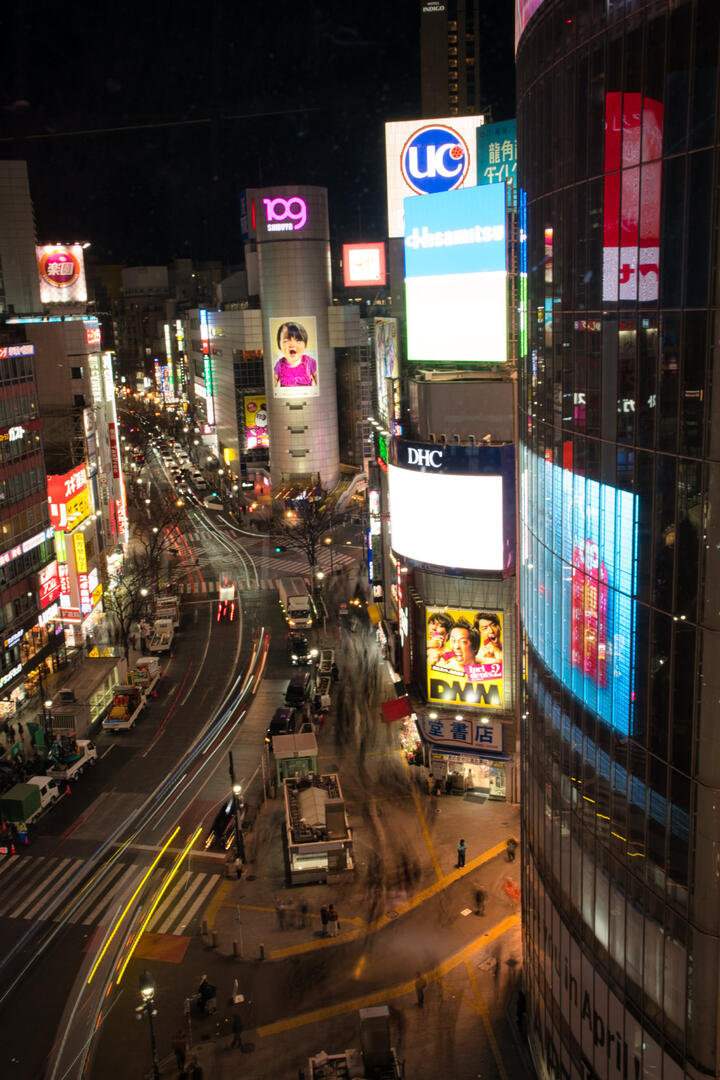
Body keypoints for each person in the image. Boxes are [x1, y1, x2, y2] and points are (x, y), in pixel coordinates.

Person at [273, 322, 318, 390]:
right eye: (286, 340)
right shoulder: (280, 364)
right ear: (280, 346)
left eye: (298, 340)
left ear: (305, 346)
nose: (292, 344)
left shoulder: (309, 362)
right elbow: (273, 381)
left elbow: (319, 379)